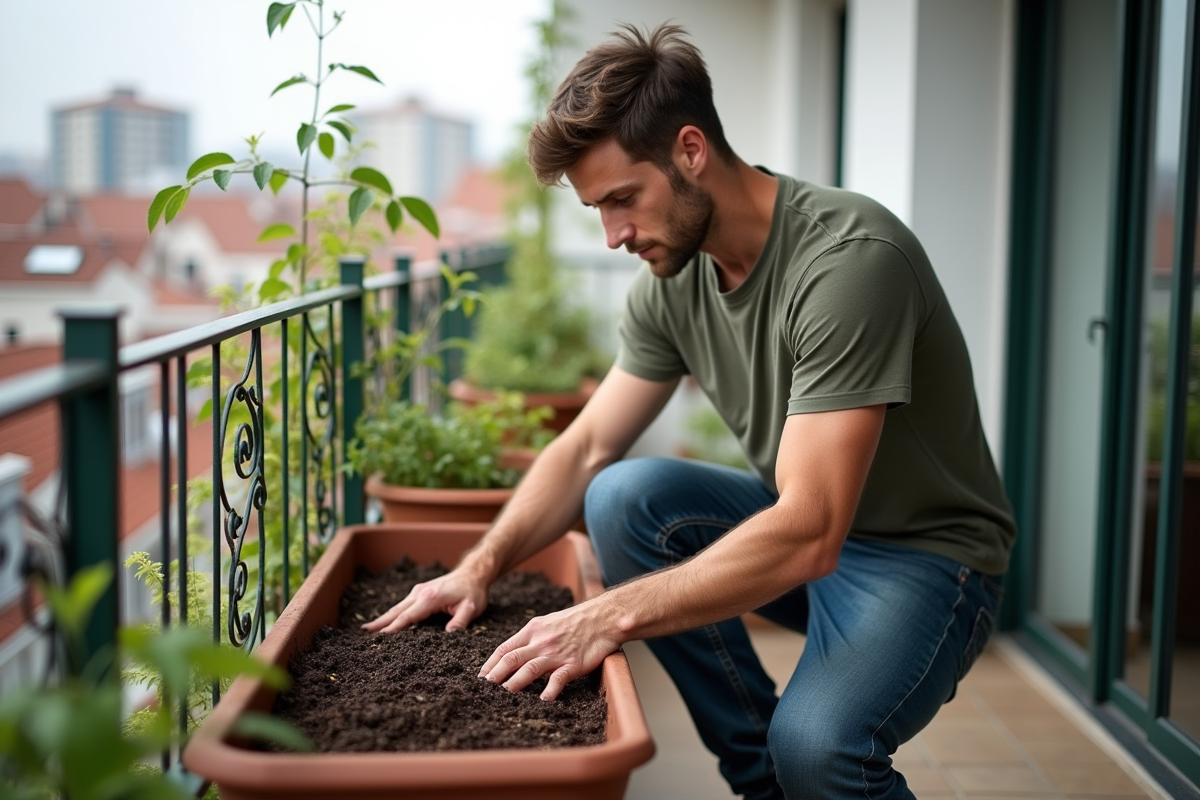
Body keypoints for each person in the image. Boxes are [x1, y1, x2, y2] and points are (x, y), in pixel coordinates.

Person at [365, 22, 1016, 800]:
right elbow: (586, 449)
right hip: (810, 531)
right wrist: (478, 565)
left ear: (690, 151)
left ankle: (796, 777)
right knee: (623, 497)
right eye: (597, 211)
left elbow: (810, 531)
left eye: (622, 200)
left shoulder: (849, 265)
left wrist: (607, 616)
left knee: (819, 747)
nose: (613, 236)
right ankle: (763, 787)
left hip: (929, 561)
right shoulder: (673, 283)